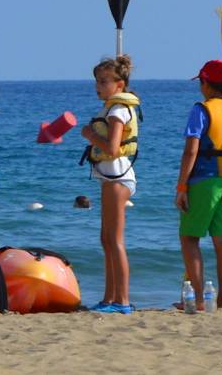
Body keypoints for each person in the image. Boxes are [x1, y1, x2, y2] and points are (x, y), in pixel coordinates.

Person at [175, 60, 222, 310]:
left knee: (189, 238)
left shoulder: (201, 110)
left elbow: (191, 151)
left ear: (205, 83)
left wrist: (182, 186)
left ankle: (199, 300)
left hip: (204, 181)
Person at [80, 56, 140, 314]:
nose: (99, 86)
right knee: (105, 239)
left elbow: (114, 148)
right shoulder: (111, 107)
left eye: (104, 81)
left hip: (118, 177)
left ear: (120, 84)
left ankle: (122, 300)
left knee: (115, 240)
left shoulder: (118, 111)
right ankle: (109, 297)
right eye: (97, 81)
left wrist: (91, 136)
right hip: (109, 178)